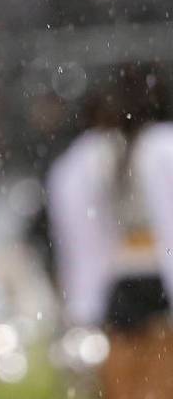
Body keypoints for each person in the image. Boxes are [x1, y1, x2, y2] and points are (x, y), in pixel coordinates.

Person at [48, 71, 173, 399]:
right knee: (147, 377)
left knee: (134, 376)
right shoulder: (123, 149)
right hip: (137, 274)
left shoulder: (109, 150)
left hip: (133, 274)